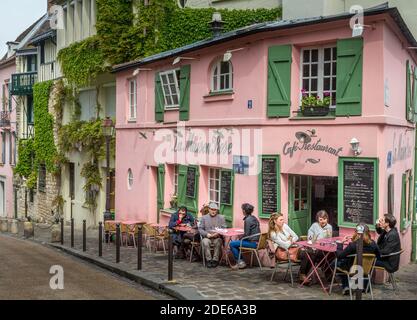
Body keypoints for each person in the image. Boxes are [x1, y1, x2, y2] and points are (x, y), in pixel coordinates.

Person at [334, 224, 380, 295]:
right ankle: (364, 286)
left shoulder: (353, 245)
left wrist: (340, 243)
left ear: (357, 232)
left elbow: (340, 255)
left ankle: (346, 286)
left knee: (334, 262)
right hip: (367, 270)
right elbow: (378, 255)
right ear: (368, 232)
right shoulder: (373, 244)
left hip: (352, 269)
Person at [299, 210, 333, 284]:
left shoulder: (329, 227)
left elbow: (329, 240)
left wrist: (328, 236)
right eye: (321, 219)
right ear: (318, 219)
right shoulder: (314, 226)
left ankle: (329, 275)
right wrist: (315, 239)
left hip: (324, 249)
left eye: (324, 219)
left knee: (332, 254)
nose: (323, 221)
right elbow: (310, 239)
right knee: (310, 254)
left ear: (327, 219)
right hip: (314, 248)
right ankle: (303, 274)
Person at [230, 203, 261, 269]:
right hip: (258, 242)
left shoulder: (247, 220)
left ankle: (240, 262)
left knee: (232, 244)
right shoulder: (254, 218)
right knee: (237, 243)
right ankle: (241, 261)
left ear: (244, 211)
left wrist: (240, 238)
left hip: (253, 243)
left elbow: (246, 234)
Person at [198, 201, 227, 268]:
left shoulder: (221, 217)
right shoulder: (204, 218)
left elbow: (224, 228)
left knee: (218, 241)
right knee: (205, 242)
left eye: (215, 210)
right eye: (212, 209)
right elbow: (200, 229)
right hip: (207, 237)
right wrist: (206, 234)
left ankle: (215, 260)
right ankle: (209, 260)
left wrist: (218, 233)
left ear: (217, 210)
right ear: (209, 209)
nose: (213, 211)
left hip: (217, 237)